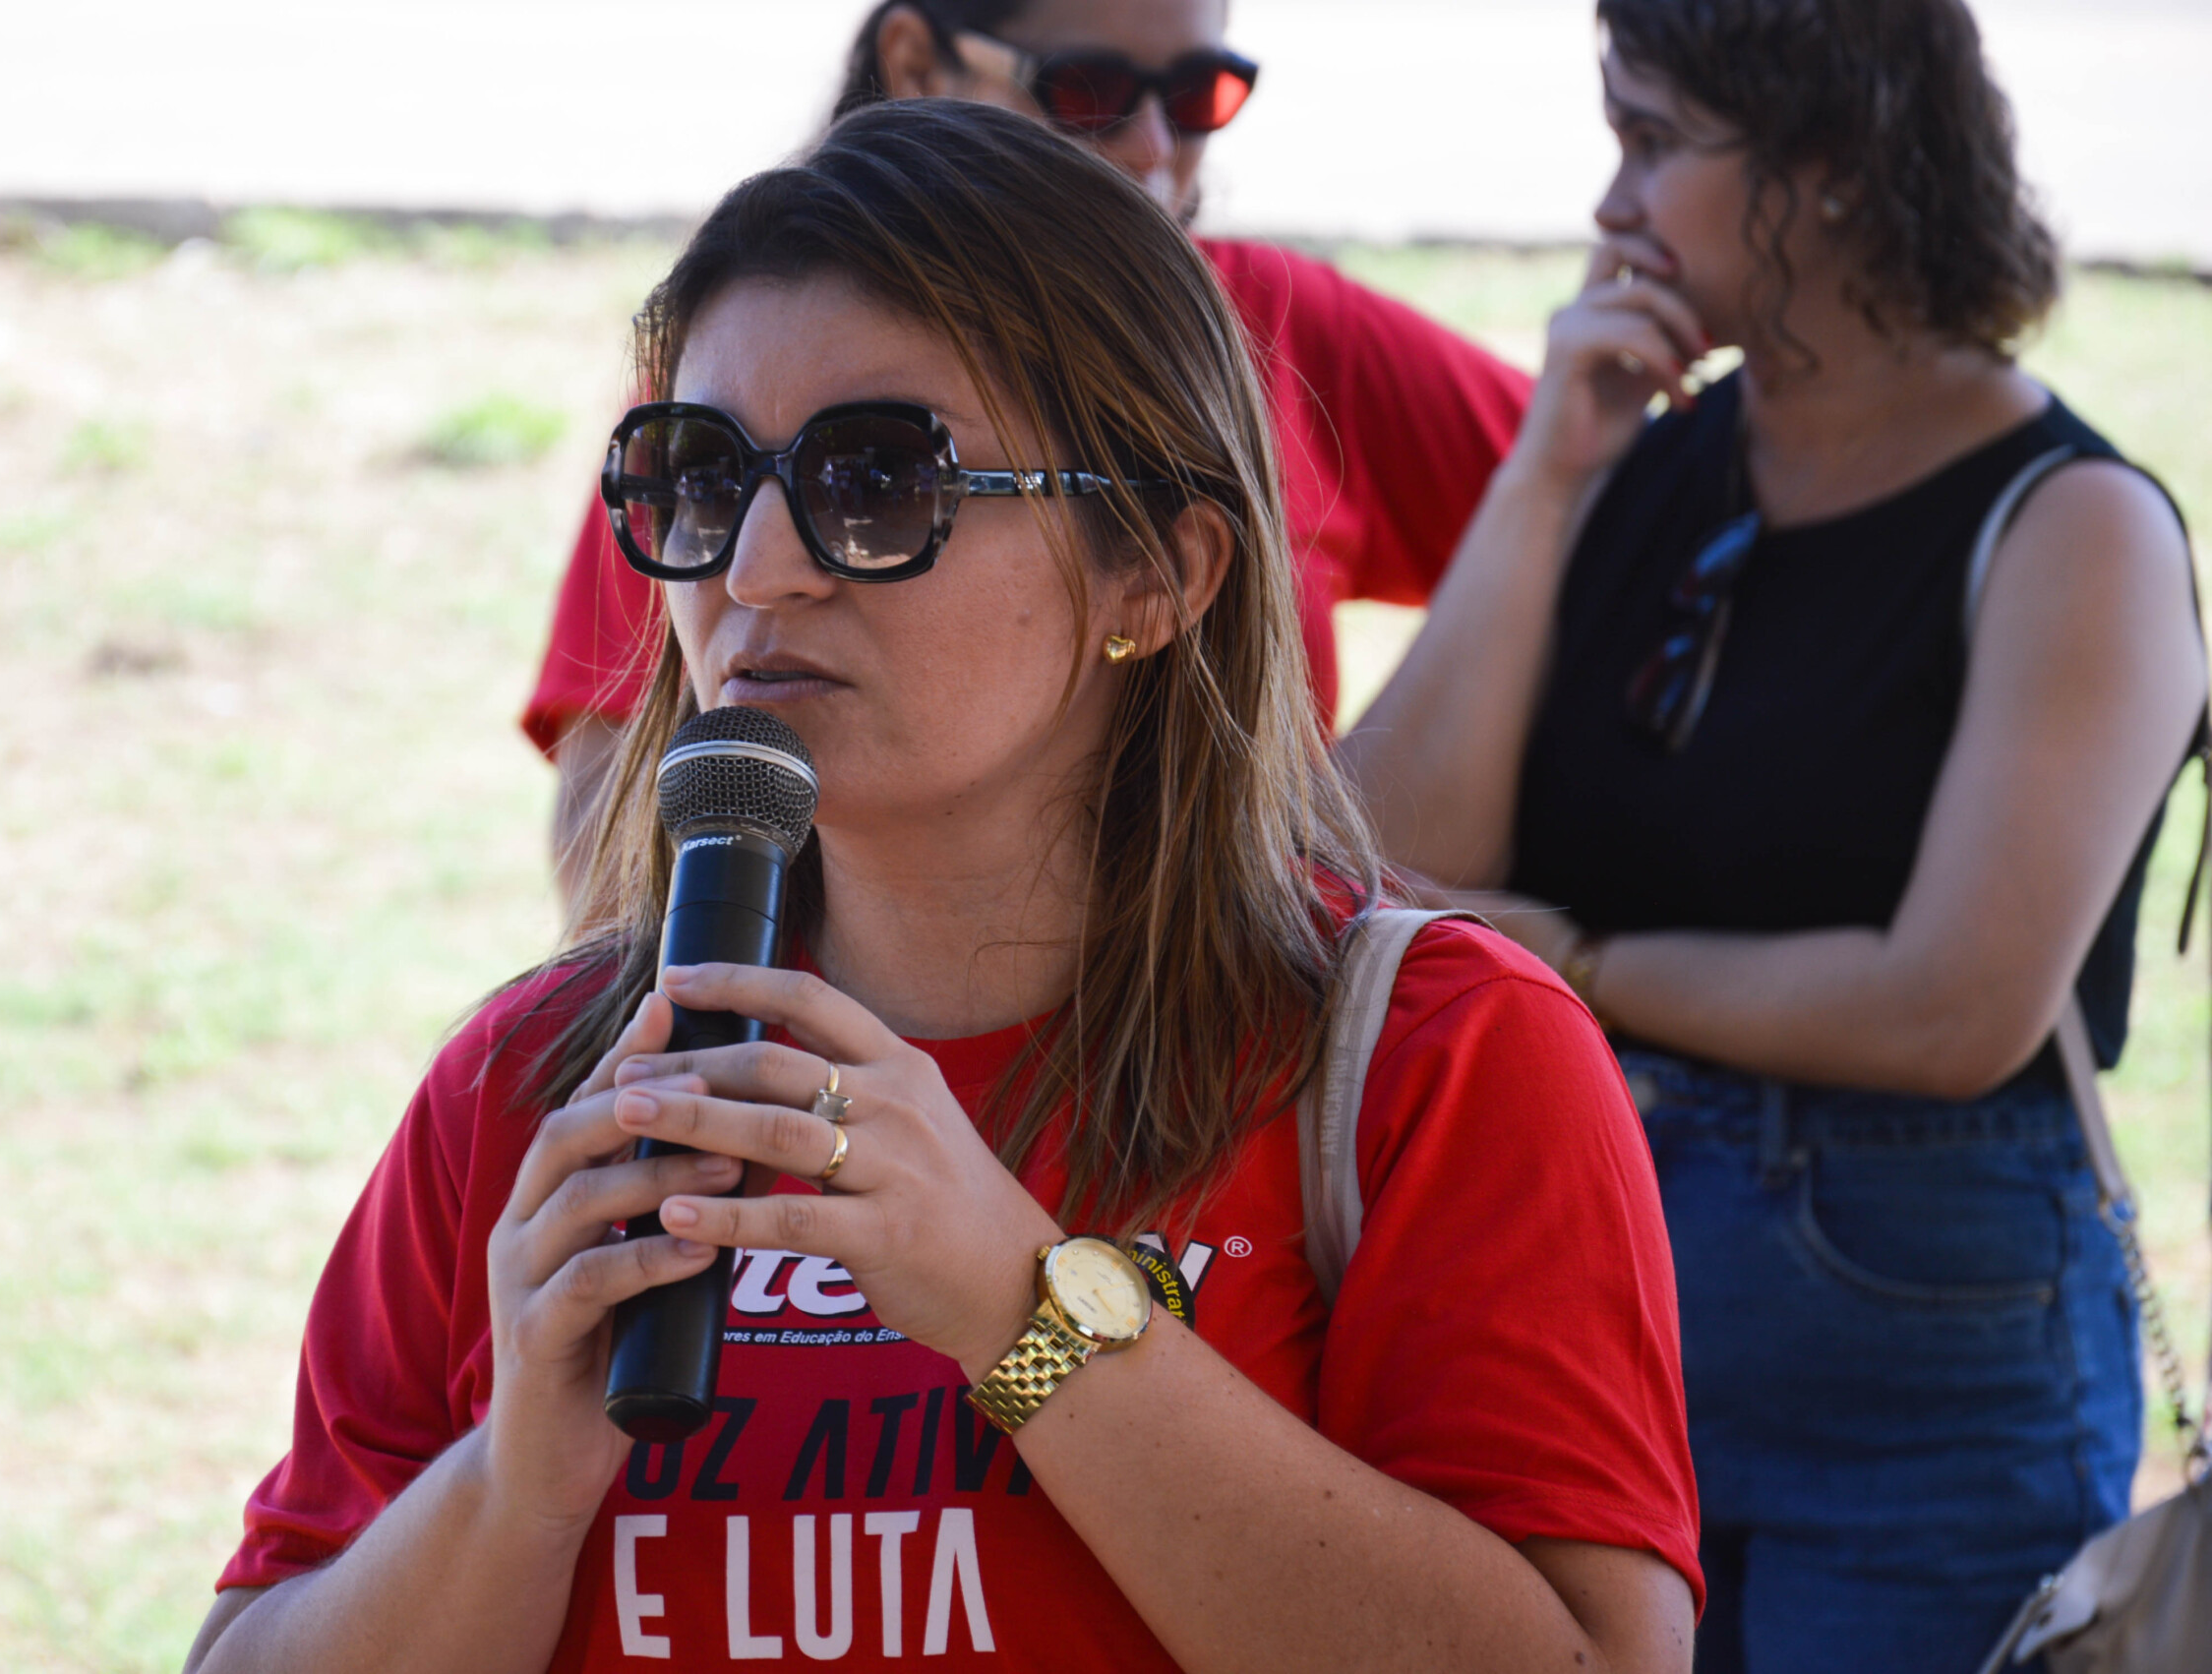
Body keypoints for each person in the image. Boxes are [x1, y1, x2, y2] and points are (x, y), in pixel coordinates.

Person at [187, 101, 1702, 1674]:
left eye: (877, 479)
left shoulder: (1435, 1058)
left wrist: (1021, 1311)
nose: (757, 568)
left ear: (1156, 572)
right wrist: (509, 1488)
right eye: (701, 475)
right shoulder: (534, 1083)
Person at [1351, 1, 2206, 1669]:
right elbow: (1377, 860)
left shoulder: (2074, 524)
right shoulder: (1647, 462)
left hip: (1920, 1367)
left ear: (1830, 166)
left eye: (1654, 140)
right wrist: (1545, 473)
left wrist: (1578, 962)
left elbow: (1956, 1007)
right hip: (1586, 1293)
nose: (1609, 202)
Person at [529, 0, 1530, 889]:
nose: (1152, 144)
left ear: (1170, 574)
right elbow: (607, 868)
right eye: (1089, 87)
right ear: (916, 62)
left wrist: (1356, 893)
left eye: (1198, 93)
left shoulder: (1277, 325)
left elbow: (1598, 535)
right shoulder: (752, 370)